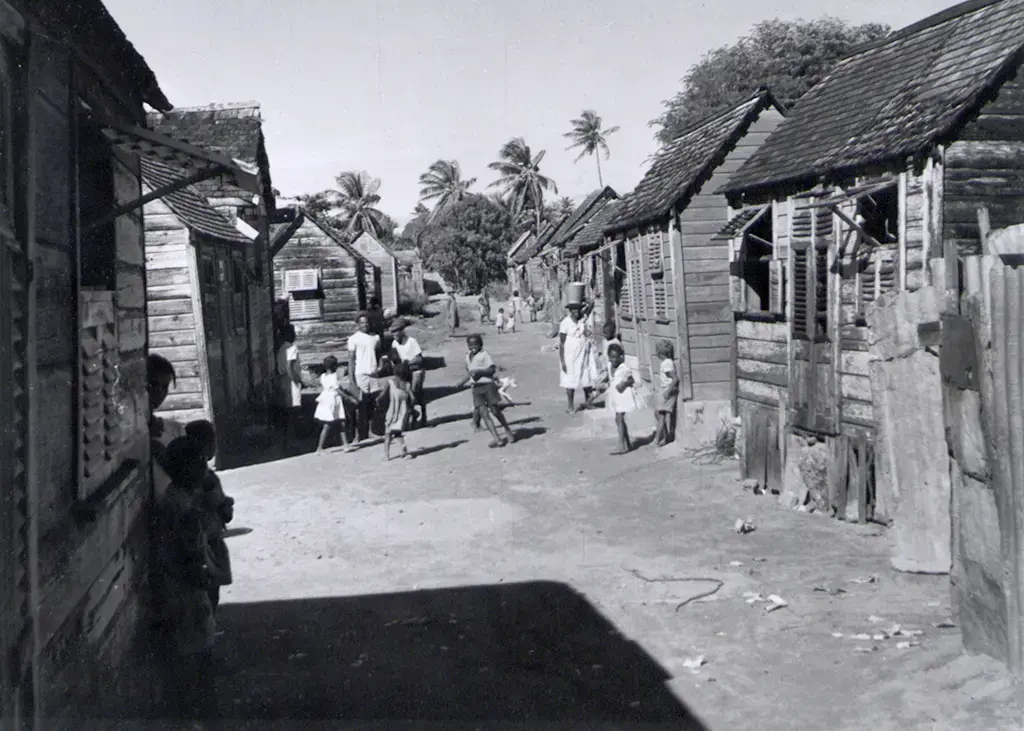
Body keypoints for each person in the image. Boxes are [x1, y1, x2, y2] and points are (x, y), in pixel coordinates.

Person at [152, 436, 217, 720]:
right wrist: (205, 579)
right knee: (196, 659)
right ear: (187, 469)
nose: (205, 468)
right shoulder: (185, 509)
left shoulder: (174, 497)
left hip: (174, 589)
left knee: (187, 660)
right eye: (201, 463)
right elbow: (191, 558)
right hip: (186, 594)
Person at [184, 420, 234, 614]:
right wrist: (226, 505)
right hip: (208, 540)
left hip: (201, 538)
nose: (215, 444)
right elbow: (220, 506)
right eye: (211, 440)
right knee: (211, 591)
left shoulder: (191, 475)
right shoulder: (207, 478)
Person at [457, 334, 516, 448]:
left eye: (476, 345)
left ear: (481, 345)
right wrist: (462, 382)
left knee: (495, 410)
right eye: (470, 345)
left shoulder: (484, 355)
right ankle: (496, 438)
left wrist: (480, 372)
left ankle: (508, 431)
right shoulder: (467, 356)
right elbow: (469, 371)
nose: (473, 347)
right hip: (476, 388)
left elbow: (491, 369)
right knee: (483, 413)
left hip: (488, 385)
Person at [149, 353, 186, 503]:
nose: (159, 392)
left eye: (164, 387)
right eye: (153, 385)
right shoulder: (130, 433)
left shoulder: (175, 430)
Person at [348, 314, 382, 442]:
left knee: (372, 403)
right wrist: (352, 380)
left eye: (367, 322)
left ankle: (371, 431)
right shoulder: (353, 339)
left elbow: (379, 353)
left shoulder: (375, 337)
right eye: (362, 323)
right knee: (359, 405)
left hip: (373, 374)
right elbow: (351, 360)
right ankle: (357, 435)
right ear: (358, 324)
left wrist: (380, 366)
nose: (365, 325)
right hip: (360, 374)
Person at [558, 301, 596, 413]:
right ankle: (570, 406)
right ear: (570, 311)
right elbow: (561, 343)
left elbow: (591, 304)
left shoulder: (582, 319)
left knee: (586, 376)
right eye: (573, 310)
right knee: (570, 379)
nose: (576, 312)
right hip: (570, 355)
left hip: (584, 352)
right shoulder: (565, 323)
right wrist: (563, 361)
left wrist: (583, 298)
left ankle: (588, 402)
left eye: (578, 309)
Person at [389, 318, 427, 428]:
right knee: (405, 394)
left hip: (416, 369)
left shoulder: (412, 341)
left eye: (396, 331)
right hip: (403, 371)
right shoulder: (394, 343)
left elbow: (419, 359)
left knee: (416, 392)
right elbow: (394, 358)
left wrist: (407, 363)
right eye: (392, 332)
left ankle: (423, 415)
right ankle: (413, 414)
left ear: (402, 331)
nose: (394, 334)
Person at [314, 356, 356, 453]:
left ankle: (345, 444)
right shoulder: (334, 376)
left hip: (327, 398)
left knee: (341, 422)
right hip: (332, 400)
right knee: (328, 424)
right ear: (334, 366)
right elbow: (337, 389)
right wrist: (349, 398)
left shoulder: (323, 376)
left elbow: (336, 386)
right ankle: (319, 448)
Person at [605, 343, 641, 455]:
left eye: (616, 356)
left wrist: (624, 383)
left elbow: (631, 380)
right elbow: (609, 378)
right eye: (611, 357)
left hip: (623, 395)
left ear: (621, 356)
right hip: (615, 396)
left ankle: (621, 445)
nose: (614, 359)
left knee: (619, 418)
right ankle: (627, 443)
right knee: (618, 419)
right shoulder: (609, 366)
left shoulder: (624, 368)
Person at [276, 325, 303, 453]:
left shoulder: (282, 348)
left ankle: (286, 442)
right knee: (294, 411)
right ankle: (292, 442)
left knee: (287, 411)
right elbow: (289, 367)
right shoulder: (291, 348)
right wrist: (297, 381)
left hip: (283, 380)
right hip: (291, 381)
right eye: (292, 333)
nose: (294, 335)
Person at [383, 362, 415, 461]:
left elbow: (383, 395)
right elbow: (413, 398)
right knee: (398, 433)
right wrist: (411, 407)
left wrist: (378, 401)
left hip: (392, 411)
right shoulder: (407, 385)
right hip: (402, 412)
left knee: (387, 433)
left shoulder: (390, 382)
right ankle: (403, 447)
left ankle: (386, 455)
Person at [653, 340, 680, 447]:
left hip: (668, 391)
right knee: (658, 413)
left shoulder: (666, 364)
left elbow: (675, 379)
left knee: (661, 415)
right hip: (666, 390)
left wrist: (668, 391)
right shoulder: (668, 362)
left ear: (659, 353)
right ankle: (665, 436)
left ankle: (657, 439)